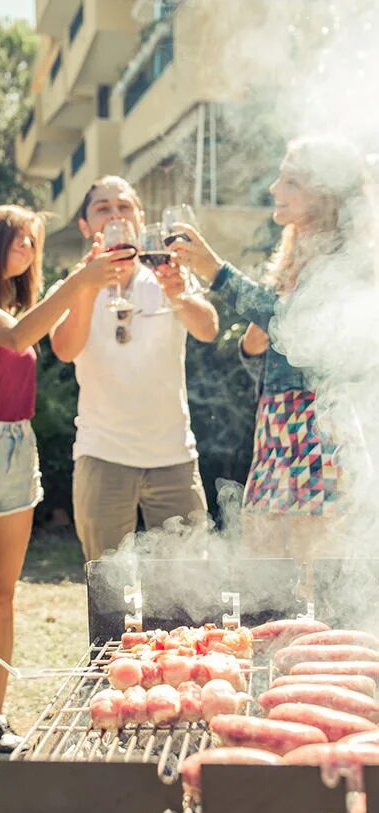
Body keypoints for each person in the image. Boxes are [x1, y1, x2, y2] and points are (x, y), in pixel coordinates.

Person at [0, 204, 136, 764]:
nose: (30, 252)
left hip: (19, 450)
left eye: (35, 244)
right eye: (21, 240)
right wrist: (78, 280)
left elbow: (56, 335)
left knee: (1, 595)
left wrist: (88, 285)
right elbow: (17, 338)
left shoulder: (18, 307)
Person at [167, 135, 376, 568]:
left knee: (309, 576)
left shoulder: (349, 261)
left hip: (318, 425)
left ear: (325, 192)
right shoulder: (296, 251)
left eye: (290, 181)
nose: (273, 189)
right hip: (275, 422)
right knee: (263, 569)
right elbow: (279, 335)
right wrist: (253, 344)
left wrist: (216, 271)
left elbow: (297, 328)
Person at [50, 175, 219, 563]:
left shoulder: (168, 276)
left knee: (187, 593)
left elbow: (208, 328)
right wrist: (88, 285)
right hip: (102, 455)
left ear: (140, 220)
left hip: (173, 455)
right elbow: (64, 348)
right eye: (103, 209)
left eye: (124, 207)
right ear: (85, 226)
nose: (115, 216)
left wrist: (178, 294)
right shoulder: (73, 285)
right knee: (107, 593)